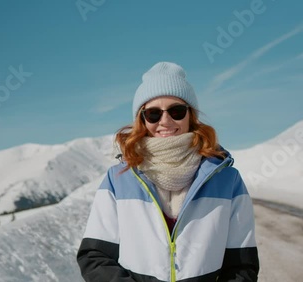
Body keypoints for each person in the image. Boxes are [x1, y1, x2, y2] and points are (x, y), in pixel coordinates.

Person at [77, 62, 259, 281]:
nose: (165, 121)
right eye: (153, 114)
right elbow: (95, 257)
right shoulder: (118, 179)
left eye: (176, 111)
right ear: (142, 120)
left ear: (190, 116)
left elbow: (242, 266)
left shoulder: (228, 181)